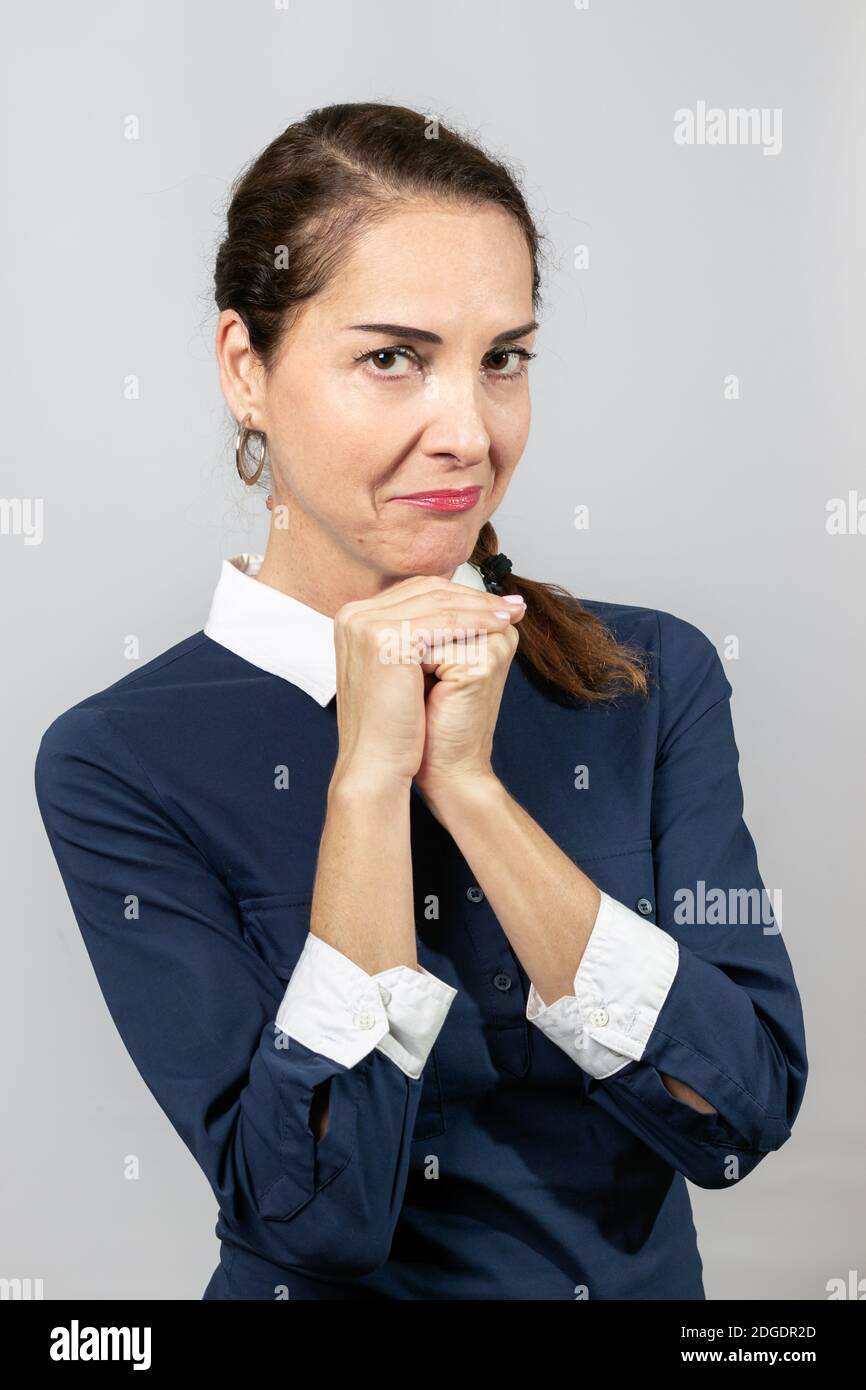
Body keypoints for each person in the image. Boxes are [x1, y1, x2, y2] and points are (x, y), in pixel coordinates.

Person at [34, 101, 808, 1301]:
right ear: (248, 369)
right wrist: (363, 784)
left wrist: (470, 787)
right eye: (391, 357)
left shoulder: (644, 675)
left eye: (502, 358)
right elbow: (310, 1215)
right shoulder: (119, 758)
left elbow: (738, 1110)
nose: (467, 431)